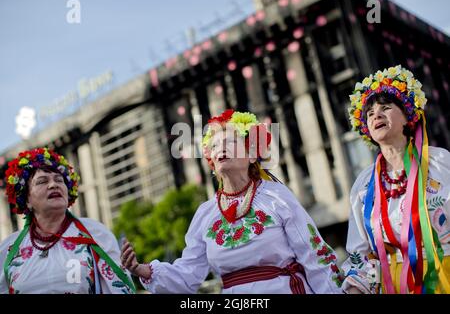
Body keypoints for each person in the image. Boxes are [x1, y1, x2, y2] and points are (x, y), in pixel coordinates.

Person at [121, 109, 344, 294]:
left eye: (229, 142)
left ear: (251, 155)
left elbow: (314, 256)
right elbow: (188, 274)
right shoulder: (206, 214)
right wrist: (143, 270)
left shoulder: (276, 196)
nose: (221, 150)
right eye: (215, 146)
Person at [342, 65, 450, 294]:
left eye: (386, 108)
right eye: (370, 114)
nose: (376, 115)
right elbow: (361, 255)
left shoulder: (440, 163)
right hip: (396, 286)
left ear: (408, 116)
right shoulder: (363, 186)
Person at [0, 147, 135, 294]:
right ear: (27, 200)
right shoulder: (8, 249)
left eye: (59, 180)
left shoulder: (95, 233)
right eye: (42, 181)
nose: (54, 185)